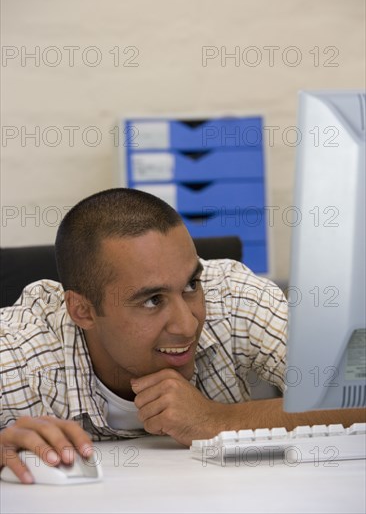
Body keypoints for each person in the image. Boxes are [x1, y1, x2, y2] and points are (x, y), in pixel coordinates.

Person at [0, 188, 364, 484]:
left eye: (191, 284)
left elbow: (357, 389)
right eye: (152, 300)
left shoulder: (234, 297)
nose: (188, 324)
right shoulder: (22, 353)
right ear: (83, 311)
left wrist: (220, 421)